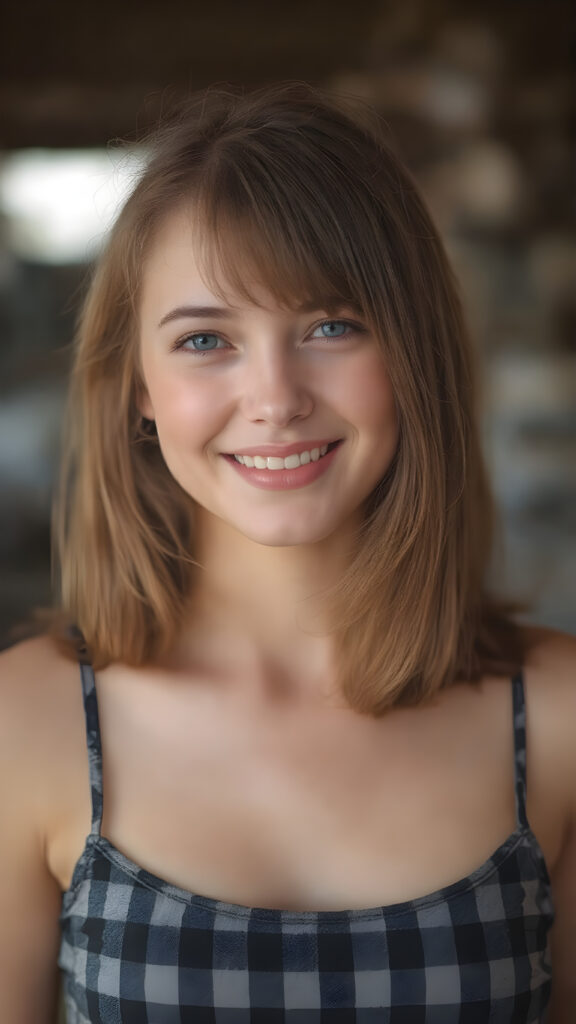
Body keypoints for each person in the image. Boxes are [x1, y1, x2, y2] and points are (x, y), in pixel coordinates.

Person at [0, 82, 574, 1024]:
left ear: (413, 350)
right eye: (204, 339)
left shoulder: (558, 719)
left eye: (329, 327)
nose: (274, 397)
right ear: (137, 387)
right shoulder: (26, 723)